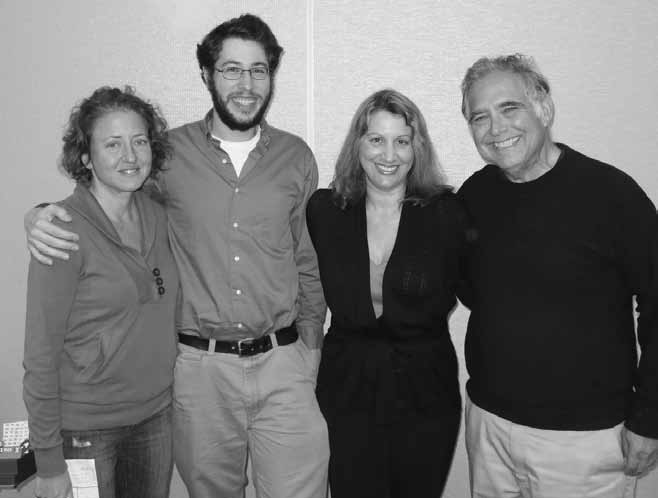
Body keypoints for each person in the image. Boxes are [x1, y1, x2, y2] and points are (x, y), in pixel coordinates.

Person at [24, 14, 328, 498]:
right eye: (231, 69)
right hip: (200, 371)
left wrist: (310, 345)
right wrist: (40, 214)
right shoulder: (167, 156)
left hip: (282, 361)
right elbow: (107, 196)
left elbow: (307, 258)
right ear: (207, 74)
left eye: (258, 69)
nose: (246, 84)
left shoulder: (296, 157)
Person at [458, 54, 658, 498]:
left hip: (582, 441)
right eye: (479, 117)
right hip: (489, 425)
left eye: (509, 108)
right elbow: (473, 290)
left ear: (543, 109)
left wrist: (650, 416)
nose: (495, 128)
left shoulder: (611, 195)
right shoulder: (476, 194)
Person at [306, 89, 466, 498]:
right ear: (357, 144)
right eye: (377, 139)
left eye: (402, 141)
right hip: (347, 386)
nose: (389, 155)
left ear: (417, 147)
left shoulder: (447, 214)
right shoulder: (324, 211)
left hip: (426, 389)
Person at [23, 86, 178, 498]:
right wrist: (48, 462)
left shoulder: (159, 216)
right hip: (85, 429)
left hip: (155, 417)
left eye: (139, 141)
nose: (130, 156)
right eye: (112, 144)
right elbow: (40, 355)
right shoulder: (61, 232)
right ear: (86, 157)